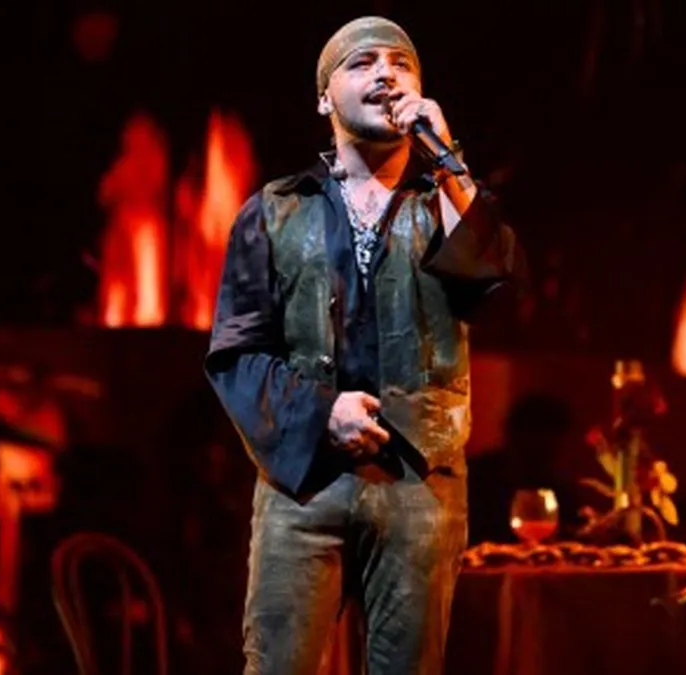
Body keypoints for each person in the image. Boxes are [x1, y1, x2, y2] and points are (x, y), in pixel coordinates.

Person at [204, 15, 525, 675]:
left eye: (401, 64)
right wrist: (323, 413)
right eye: (363, 62)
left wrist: (447, 157)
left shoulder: (445, 200)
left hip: (420, 484)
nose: (386, 74)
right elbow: (236, 353)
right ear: (324, 98)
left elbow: (496, 285)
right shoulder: (276, 209)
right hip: (303, 484)